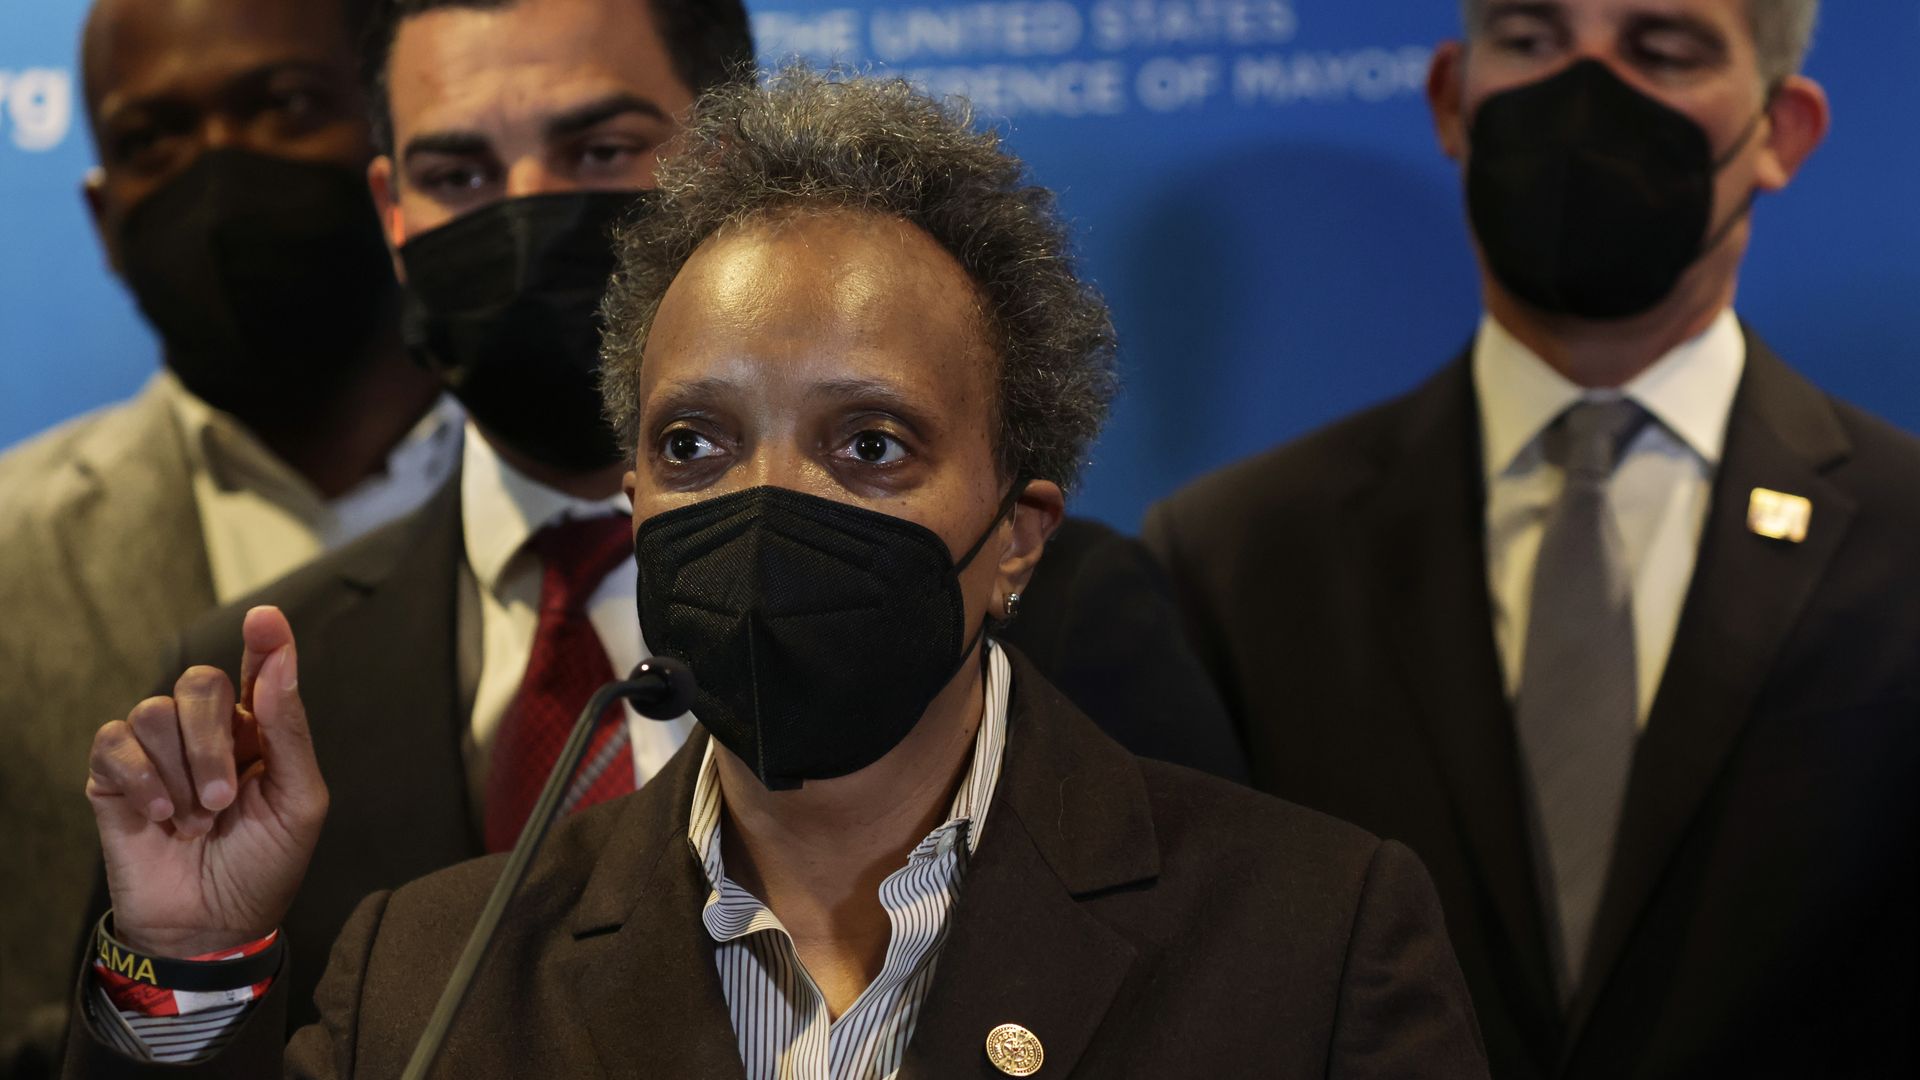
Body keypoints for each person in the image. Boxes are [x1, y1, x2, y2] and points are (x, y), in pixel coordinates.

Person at [62, 68, 1488, 1078]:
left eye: (869, 445)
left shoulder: (1312, 937)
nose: (766, 505)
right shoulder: (434, 971)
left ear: (1020, 534)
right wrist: (187, 960)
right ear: (632, 499)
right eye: (696, 443)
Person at [1145, 1, 1919, 1076]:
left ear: (1781, 130)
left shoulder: (1905, 531)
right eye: (1531, 41)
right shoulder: (1234, 555)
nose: (1584, 95)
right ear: (1451, 99)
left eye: (1662, 51)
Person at [0, 0, 456, 1067]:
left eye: (286, 106)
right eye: (153, 138)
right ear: (104, 217)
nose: (221, 169)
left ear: (395, 160)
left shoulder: (591, 521)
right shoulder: (10, 553)